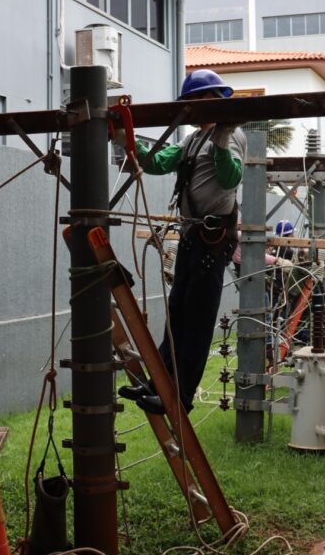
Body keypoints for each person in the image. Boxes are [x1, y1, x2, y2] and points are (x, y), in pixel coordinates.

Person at [117, 69, 246, 415]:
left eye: (194, 101)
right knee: (177, 314)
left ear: (210, 100)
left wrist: (221, 144)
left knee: (198, 320)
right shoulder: (193, 141)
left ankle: (181, 396)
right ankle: (160, 382)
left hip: (212, 239)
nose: (189, 109)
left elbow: (230, 177)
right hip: (193, 237)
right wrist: (125, 139)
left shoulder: (230, 136)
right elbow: (159, 161)